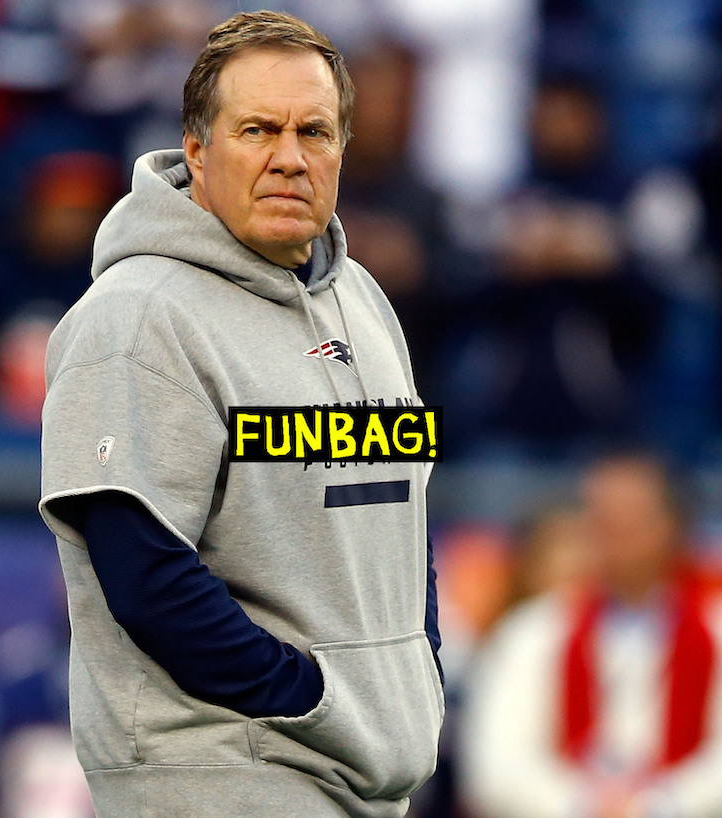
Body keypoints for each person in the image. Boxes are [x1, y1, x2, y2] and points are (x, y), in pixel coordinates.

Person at [37, 11, 441, 817]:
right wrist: (308, 693)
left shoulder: (363, 301)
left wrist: (409, 669)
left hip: (360, 775)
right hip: (228, 777)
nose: (290, 158)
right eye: (258, 129)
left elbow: (400, 521)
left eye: (315, 132)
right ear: (196, 150)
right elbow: (145, 573)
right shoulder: (139, 314)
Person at [460, 454, 722, 818]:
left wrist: (657, 806)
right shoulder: (533, 631)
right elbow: (496, 766)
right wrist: (582, 805)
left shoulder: (714, 627)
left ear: (673, 525)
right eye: (601, 517)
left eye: (632, 517)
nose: (614, 531)